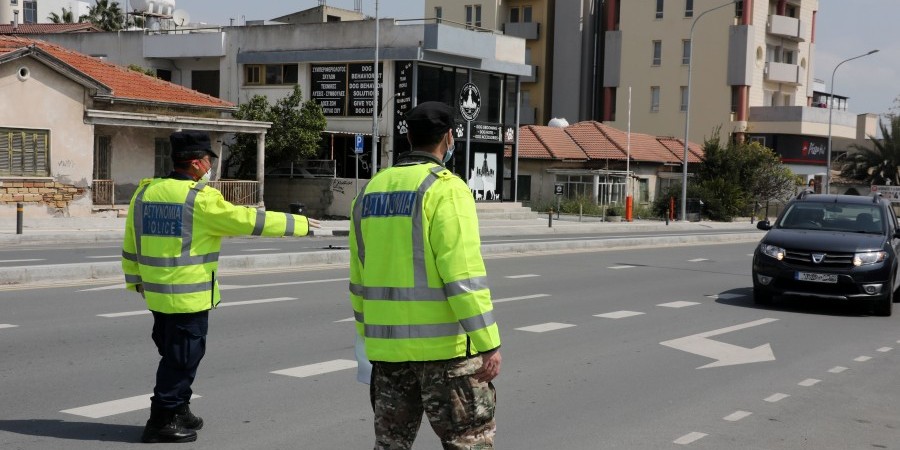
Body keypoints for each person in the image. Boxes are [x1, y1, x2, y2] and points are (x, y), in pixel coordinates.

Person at [122, 131, 320, 443]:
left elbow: (131, 242)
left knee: (176, 354)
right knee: (182, 358)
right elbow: (246, 221)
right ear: (198, 164)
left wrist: (135, 281)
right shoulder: (198, 199)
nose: (210, 167)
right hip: (188, 297)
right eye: (209, 161)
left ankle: (180, 409)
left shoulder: (145, 193)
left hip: (157, 296)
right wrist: (300, 224)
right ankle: (162, 419)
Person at [349, 102, 502, 449]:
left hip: (387, 356)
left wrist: (369, 339)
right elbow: (462, 277)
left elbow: (358, 280)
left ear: (407, 136)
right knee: (468, 442)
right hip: (445, 356)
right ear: (449, 139)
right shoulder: (447, 189)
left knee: (391, 444)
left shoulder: (370, 191)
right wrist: (488, 342)